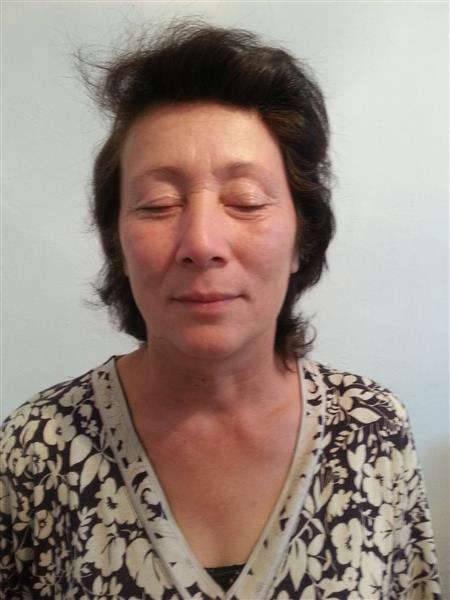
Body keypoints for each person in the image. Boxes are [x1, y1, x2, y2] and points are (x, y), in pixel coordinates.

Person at [0, 21, 441, 600]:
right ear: (118, 245)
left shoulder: (373, 431)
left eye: (246, 201)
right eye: (158, 204)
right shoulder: (37, 448)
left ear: (302, 238)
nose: (201, 241)